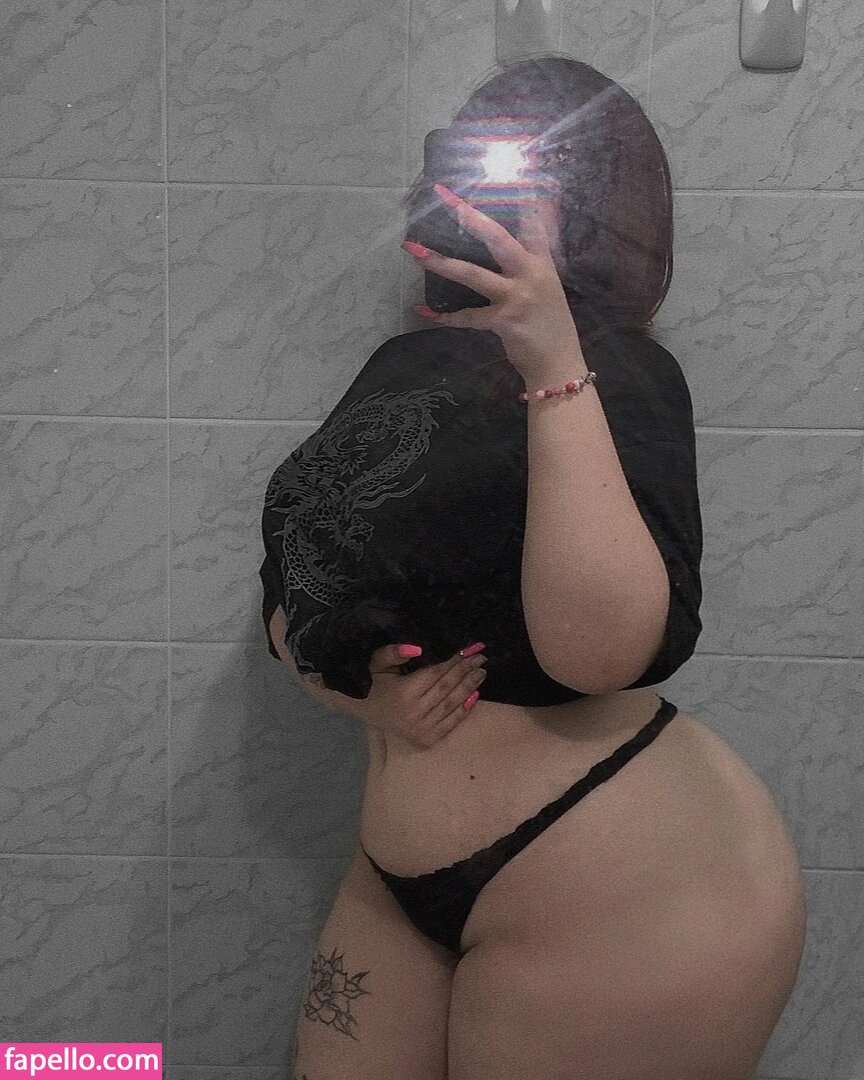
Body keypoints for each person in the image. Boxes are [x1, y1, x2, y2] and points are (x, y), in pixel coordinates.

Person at [259, 55, 807, 1080]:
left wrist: (553, 357)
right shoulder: (398, 369)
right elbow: (296, 583)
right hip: (397, 878)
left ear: (600, 212)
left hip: (613, 870)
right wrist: (351, 694)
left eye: (534, 180)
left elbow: (602, 653)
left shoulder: (626, 377)